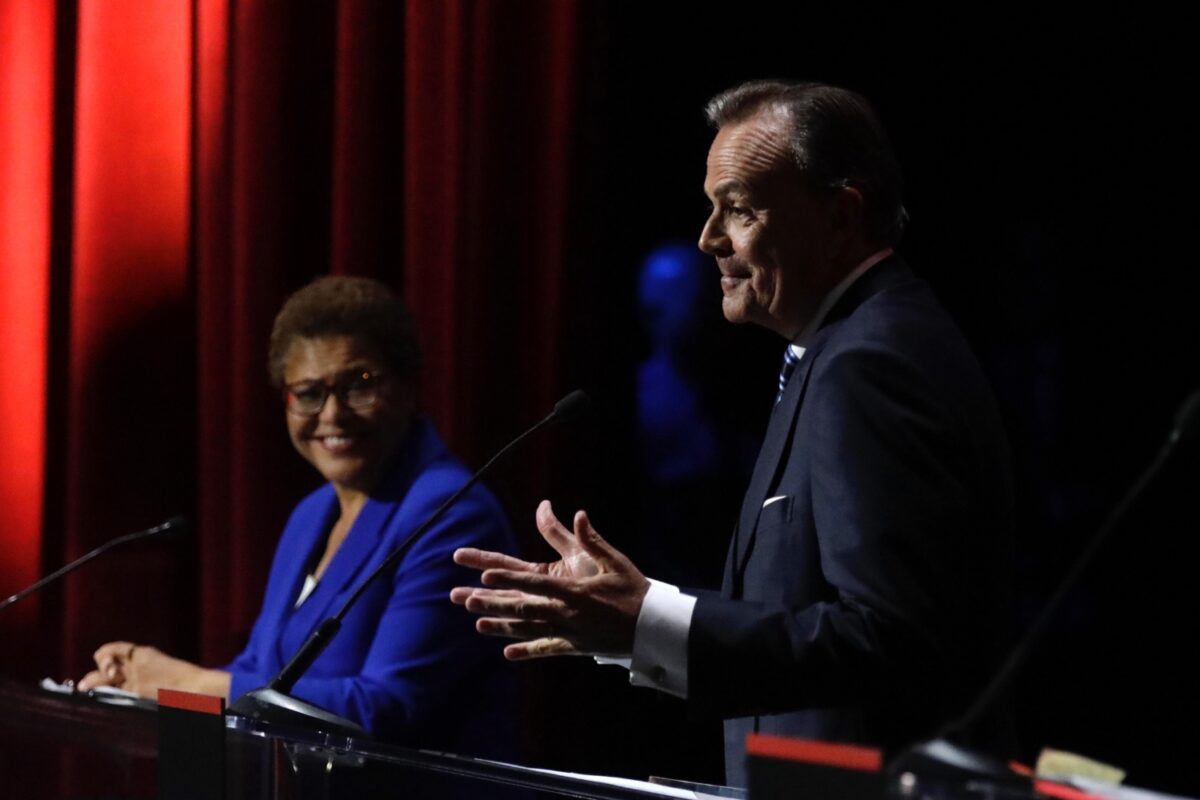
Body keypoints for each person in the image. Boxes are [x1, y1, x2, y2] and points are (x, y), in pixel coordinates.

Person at [451, 80, 1014, 786]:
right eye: (711, 208)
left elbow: (890, 639)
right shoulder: (838, 348)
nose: (708, 239)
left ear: (842, 214)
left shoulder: (872, 363)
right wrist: (631, 622)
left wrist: (648, 621)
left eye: (740, 210)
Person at [80, 276, 517, 756]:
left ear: (409, 385)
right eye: (308, 393)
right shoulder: (311, 515)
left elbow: (387, 708)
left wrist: (188, 684)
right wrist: (139, 689)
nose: (332, 415)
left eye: (360, 385)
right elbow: (262, 666)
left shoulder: (451, 513)